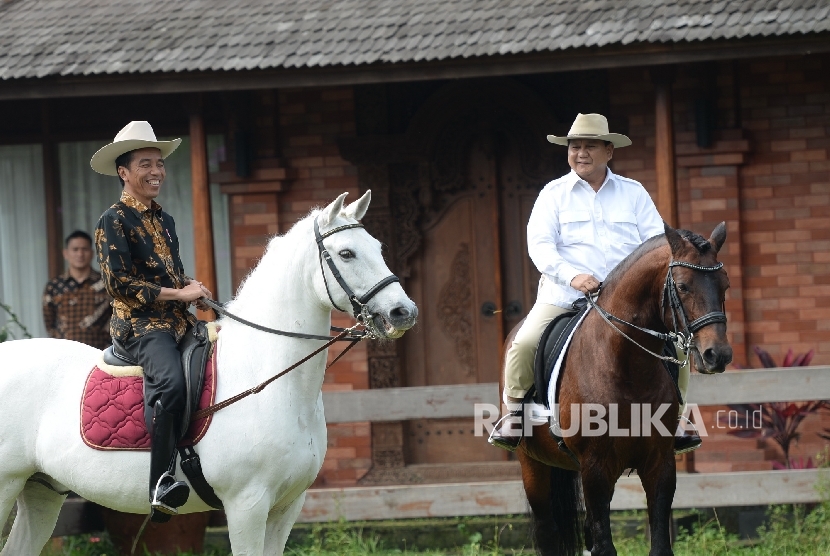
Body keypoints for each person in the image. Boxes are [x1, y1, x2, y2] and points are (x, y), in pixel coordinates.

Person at [488, 113, 700, 455]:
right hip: (566, 294)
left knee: (677, 345)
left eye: (589, 146)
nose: (580, 153)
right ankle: (512, 414)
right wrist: (572, 275)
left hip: (629, 304)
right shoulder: (553, 194)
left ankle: (676, 419)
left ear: (608, 151)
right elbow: (539, 245)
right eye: (574, 147)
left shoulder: (633, 193)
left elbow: (656, 244)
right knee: (525, 342)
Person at [91, 121, 212, 521]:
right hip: (140, 328)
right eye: (146, 164)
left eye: (159, 163)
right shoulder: (113, 220)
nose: (157, 171)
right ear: (124, 172)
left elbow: (168, 274)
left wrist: (191, 286)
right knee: (173, 385)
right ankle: (160, 481)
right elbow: (120, 285)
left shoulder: (166, 220)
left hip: (176, 320)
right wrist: (180, 295)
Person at [42, 230, 112, 350]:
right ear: (66, 253)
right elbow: (50, 324)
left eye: (84, 249)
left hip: (101, 354)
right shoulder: (54, 286)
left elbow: (117, 317)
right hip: (65, 353)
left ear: (92, 253)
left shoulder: (106, 283)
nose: (80, 254)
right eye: (75, 249)